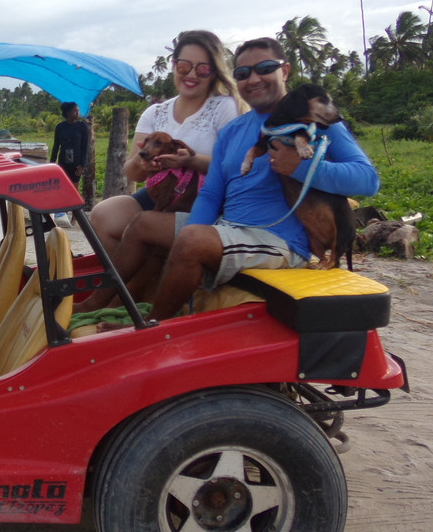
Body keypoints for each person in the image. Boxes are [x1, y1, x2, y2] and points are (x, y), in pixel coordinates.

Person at [81, 36, 379, 322]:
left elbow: (367, 181)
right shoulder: (233, 130)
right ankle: (94, 303)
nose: (253, 79)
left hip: (278, 240)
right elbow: (211, 194)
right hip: (229, 228)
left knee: (194, 239)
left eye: (265, 69)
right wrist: (190, 232)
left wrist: (299, 167)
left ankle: (152, 326)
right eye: (243, 73)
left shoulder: (313, 121)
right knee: (145, 224)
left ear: (284, 70)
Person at [90, 30, 245, 256]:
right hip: (162, 195)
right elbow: (133, 173)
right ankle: (133, 285)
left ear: (214, 72)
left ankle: (137, 282)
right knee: (104, 214)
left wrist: (190, 161)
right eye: (184, 66)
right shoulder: (155, 113)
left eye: (203, 68)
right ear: (174, 65)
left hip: (203, 199)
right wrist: (143, 165)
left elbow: (235, 166)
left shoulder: (225, 108)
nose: (192, 74)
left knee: (146, 223)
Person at [50, 101, 89, 188]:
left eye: (78, 111)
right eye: (75, 111)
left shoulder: (82, 127)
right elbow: (56, 146)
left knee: (74, 189)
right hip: (63, 163)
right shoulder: (60, 127)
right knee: (63, 187)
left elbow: (84, 147)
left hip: (76, 164)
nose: (78, 113)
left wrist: (81, 165)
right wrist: (52, 163)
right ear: (68, 113)